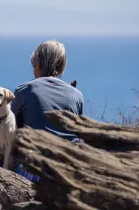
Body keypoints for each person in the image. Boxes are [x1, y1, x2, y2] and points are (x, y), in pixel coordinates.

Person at [9, 39, 84, 182]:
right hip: (68, 171)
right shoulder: (77, 95)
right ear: (62, 65)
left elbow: (9, 131)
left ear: (40, 64)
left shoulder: (24, 90)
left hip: (35, 170)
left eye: (33, 64)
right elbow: (79, 137)